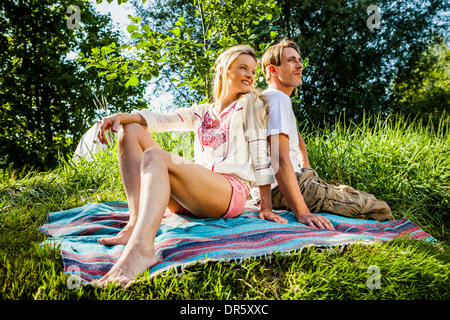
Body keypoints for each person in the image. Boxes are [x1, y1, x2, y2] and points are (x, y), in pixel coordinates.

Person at [93, 45, 284, 287]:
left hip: (229, 192)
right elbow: (162, 120)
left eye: (253, 71)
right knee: (130, 130)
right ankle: (134, 223)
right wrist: (121, 116)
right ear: (225, 70)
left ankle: (142, 249)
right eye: (243, 68)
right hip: (193, 196)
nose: (250, 75)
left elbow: (260, 154)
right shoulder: (202, 111)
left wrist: (265, 206)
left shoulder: (251, 104)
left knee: (155, 156)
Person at [251, 40, 393, 229]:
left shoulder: (273, 98)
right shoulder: (277, 99)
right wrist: (302, 213)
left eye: (299, 60)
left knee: (361, 196)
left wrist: (305, 165)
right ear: (273, 70)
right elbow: (279, 159)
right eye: (291, 60)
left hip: (297, 178)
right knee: (379, 209)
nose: (300, 65)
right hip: (283, 188)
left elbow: (293, 135)